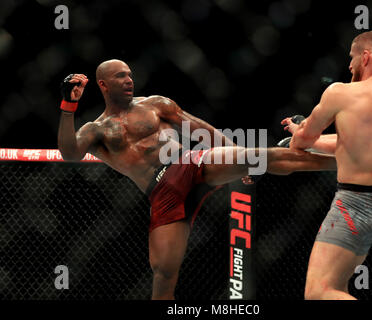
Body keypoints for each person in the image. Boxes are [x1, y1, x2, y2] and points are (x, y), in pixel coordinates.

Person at [58, 59, 336, 299]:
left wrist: (237, 157)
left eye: (130, 74)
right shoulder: (95, 129)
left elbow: (203, 129)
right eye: (120, 76)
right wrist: (68, 106)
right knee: (164, 275)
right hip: (161, 191)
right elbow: (70, 153)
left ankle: (338, 162)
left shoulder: (155, 105)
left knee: (259, 157)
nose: (129, 79)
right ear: (103, 84)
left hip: (186, 164)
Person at [282, 31, 372, 300]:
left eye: (351, 58)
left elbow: (302, 141)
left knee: (318, 293)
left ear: (365, 56)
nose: (349, 65)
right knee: (337, 289)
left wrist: (299, 132)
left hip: (352, 202)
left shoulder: (341, 92)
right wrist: (308, 137)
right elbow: (350, 145)